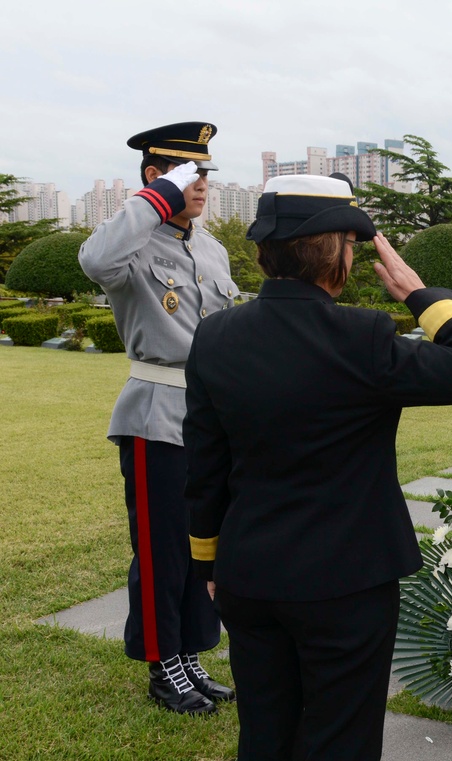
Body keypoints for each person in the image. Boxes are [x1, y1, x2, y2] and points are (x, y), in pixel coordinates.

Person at [183, 173, 452, 759]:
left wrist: (208, 557)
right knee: (342, 737)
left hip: (248, 571)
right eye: (353, 246)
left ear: (263, 251)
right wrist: (422, 295)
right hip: (347, 581)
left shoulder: (214, 336)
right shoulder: (363, 337)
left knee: (264, 731)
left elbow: (205, 464)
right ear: (338, 252)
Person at [78, 122, 237, 715]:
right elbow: (94, 258)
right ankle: (160, 661)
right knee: (161, 547)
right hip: (155, 417)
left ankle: (191, 653)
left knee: (204, 543)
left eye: (204, 175)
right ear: (158, 177)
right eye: (189, 175)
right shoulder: (130, 245)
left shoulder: (212, 248)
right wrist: (156, 200)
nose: (201, 186)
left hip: (209, 417)